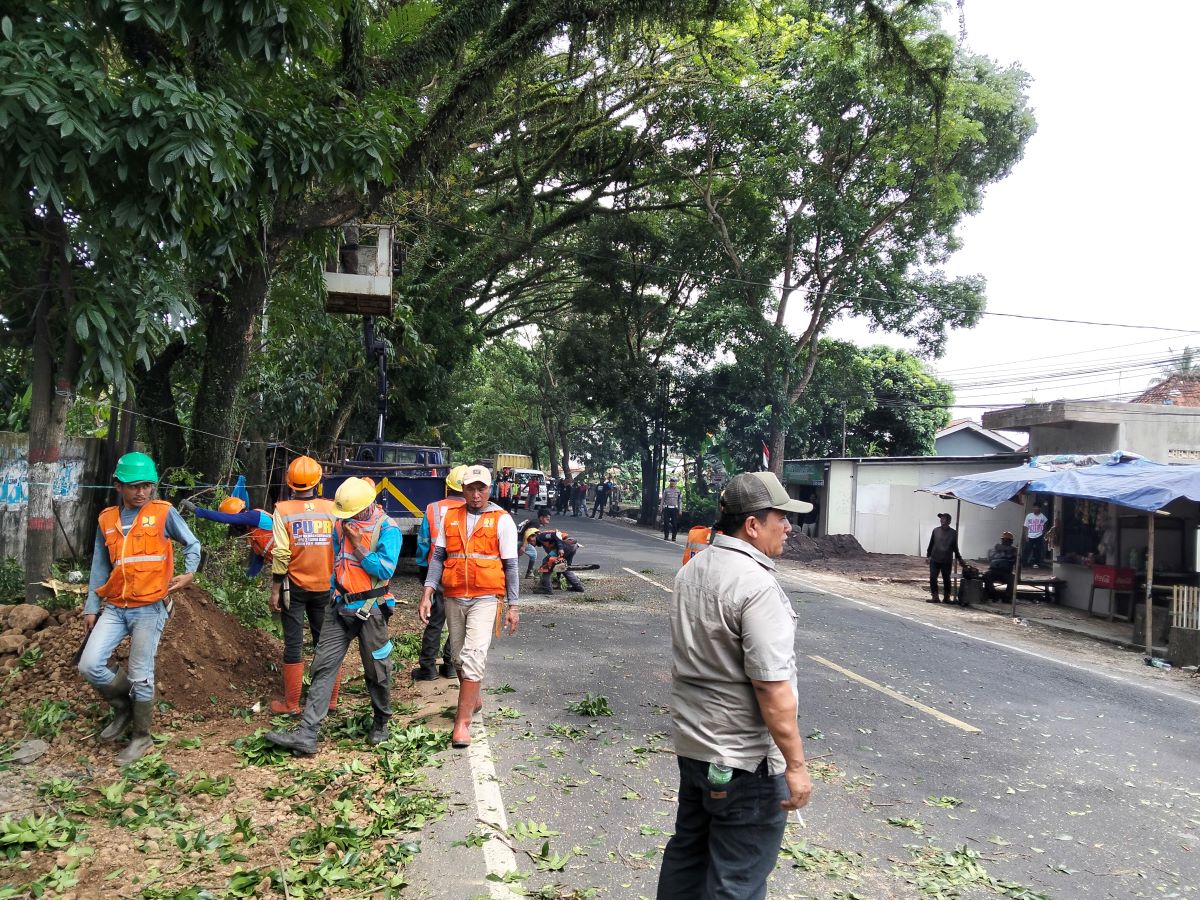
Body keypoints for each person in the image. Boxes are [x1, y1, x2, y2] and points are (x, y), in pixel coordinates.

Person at [657, 472, 813, 899]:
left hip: (695, 748)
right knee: (737, 881)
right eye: (781, 518)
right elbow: (771, 688)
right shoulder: (756, 585)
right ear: (752, 525)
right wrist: (796, 765)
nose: (788, 527)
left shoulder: (692, 570)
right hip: (746, 763)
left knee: (688, 857)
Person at [79, 452, 202, 765]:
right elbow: (99, 565)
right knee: (89, 664)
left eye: (147, 485)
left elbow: (193, 543)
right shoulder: (107, 519)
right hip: (116, 606)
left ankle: (141, 736)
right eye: (134, 486)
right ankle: (124, 708)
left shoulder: (163, 513)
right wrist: (91, 606)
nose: (141, 492)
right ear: (118, 486)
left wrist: (189, 572)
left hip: (150, 607)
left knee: (140, 675)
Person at [265, 477, 401, 754]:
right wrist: (332, 593)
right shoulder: (340, 524)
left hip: (371, 608)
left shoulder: (388, 529)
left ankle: (381, 721)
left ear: (368, 506)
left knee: (377, 670)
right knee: (323, 667)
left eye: (353, 513)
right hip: (339, 606)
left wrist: (358, 544)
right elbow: (337, 560)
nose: (348, 518)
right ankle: (307, 734)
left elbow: (384, 570)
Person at [420, 465, 519, 749]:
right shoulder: (451, 517)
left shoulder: (502, 520)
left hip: (486, 597)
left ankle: (462, 723)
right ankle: (473, 698)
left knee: (474, 655)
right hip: (453, 595)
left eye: (481, 489)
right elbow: (438, 558)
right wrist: (427, 593)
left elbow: (511, 567)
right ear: (462, 490)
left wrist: (513, 606)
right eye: (471, 488)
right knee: (457, 658)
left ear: (490, 489)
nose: (476, 494)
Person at [261, 456, 338, 715]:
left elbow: (282, 553)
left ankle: (292, 704)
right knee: (326, 644)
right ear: (318, 481)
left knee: (294, 643)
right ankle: (330, 701)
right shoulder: (332, 509)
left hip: (293, 587)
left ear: (289, 482)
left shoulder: (282, 510)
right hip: (326, 586)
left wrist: (275, 589)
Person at [412, 465, 467, 681]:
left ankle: (428, 668)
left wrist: (423, 569)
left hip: (438, 572)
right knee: (459, 620)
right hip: (463, 573)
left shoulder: (433, 509)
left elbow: (423, 543)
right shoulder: (475, 510)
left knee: (436, 619)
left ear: (447, 486)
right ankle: (451, 666)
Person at [180, 495, 274, 578]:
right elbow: (258, 559)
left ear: (237, 515)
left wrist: (196, 510)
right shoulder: (254, 532)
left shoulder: (255, 516)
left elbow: (226, 518)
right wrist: (248, 579)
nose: (234, 526)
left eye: (234, 523)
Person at [926, 512, 965, 604]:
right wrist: (928, 556)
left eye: (944, 518)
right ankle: (935, 597)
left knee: (946, 579)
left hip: (946, 560)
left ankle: (946, 598)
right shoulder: (935, 530)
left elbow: (955, 548)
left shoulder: (953, 533)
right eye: (941, 518)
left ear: (949, 521)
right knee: (932, 577)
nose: (941, 520)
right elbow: (931, 544)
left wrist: (959, 559)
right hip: (935, 559)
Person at [983, 531, 1018, 601]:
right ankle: (993, 594)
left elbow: (1013, 559)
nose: (1006, 541)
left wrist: (1008, 552)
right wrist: (1004, 552)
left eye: (1008, 540)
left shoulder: (1014, 550)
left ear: (1011, 541)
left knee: (1013, 579)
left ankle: (1007, 597)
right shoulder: (995, 548)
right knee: (986, 575)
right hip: (994, 570)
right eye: (1005, 540)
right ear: (1002, 540)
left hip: (1006, 572)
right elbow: (991, 558)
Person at [1023, 503, 1049, 568]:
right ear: (1033, 508)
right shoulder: (1029, 516)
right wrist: (1026, 535)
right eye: (1034, 507)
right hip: (1030, 536)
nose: (1035, 509)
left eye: (1037, 507)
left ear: (1040, 508)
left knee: (1037, 550)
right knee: (1027, 550)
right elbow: (1026, 526)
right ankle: (1024, 563)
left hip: (1039, 536)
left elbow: (1045, 525)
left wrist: (1043, 533)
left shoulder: (1042, 517)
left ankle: (1036, 563)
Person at [660, 477, 682, 542]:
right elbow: (663, 499)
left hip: (674, 509)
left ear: (676, 483)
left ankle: (674, 537)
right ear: (670, 482)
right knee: (666, 523)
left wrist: (680, 510)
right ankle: (666, 536)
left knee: (675, 524)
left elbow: (680, 501)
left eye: (674, 481)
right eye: (672, 481)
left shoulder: (678, 491)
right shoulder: (666, 490)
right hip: (667, 508)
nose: (673, 483)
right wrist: (661, 507)